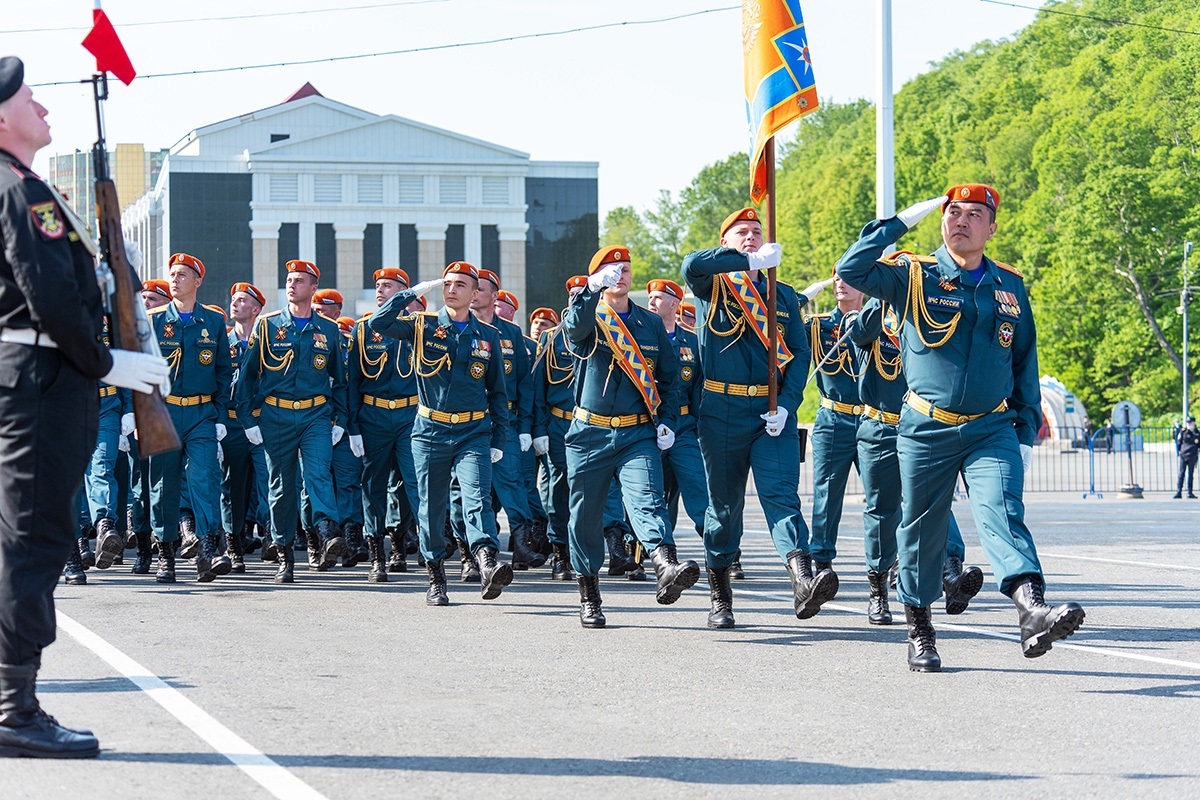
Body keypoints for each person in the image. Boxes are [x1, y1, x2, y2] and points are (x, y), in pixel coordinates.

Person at [836, 183, 1085, 671]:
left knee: (1002, 510)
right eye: (953, 212)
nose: (961, 220)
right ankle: (920, 628)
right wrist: (899, 221)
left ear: (991, 227)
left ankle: (1030, 609)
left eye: (974, 214)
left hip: (992, 426)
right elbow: (852, 270)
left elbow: (1023, 360)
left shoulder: (1009, 284)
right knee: (922, 531)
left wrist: (1026, 426)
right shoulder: (912, 275)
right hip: (926, 429)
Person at [0, 56, 170, 758]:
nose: (44, 109)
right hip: (45, 377)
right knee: (34, 541)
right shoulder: (21, 191)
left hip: (39, 374)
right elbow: (47, 291)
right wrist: (107, 362)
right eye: (30, 100)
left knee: (27, 537)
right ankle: (15, 709)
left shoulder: (25, 185)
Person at [681, 207, 835, 629]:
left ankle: (802, 577)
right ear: (726, 242)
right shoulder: (713, 287)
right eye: (741, 233)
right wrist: (749, 263)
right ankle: (720, 592)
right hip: (720, 412)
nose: (751, 236)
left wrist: (787, 402)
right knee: (724, 509)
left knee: (782, 497)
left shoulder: (781, 295)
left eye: (756, 231)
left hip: (772, 413)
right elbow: (692, 263)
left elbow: (800, 352)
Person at [562, 245, 699, 628]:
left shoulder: (651, 323)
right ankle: (589, 594)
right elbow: (574, 332)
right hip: (590, 432)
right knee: (584, 517)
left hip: (637, 430)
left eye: (625, 268)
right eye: (611, 268)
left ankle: (665, 565)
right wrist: (590, 290)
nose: (620, 274)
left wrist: (667, 419)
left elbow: (669, 379)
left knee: (648, 499)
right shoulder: (588, 313)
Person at [367, 262, 514, 605]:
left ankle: (487, 559)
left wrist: (498, 439)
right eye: (447, 284)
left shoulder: (488, 336)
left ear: (474, 293)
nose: (451, 289)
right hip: (431, 430)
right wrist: (408, 294)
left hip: (473, 430)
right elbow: (379, 323)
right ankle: (436, 575)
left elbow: (498, 393)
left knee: (476, 496)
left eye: (460, 284)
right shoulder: (423, 325)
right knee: (432, 507)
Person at [237, 260, 350, 584]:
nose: (292, 285)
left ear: (313, 288)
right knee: (281, 486)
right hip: (277, 415)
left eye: (299, 281)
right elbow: (248, 377)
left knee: (317, 473)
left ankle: (328, 531)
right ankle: (285, 552)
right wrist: (248, 420)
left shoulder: (327, 330)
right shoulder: (269, 326)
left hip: (315, 414)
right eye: (289, 280)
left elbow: (339, 380)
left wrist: (338, 418)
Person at [147, 252, 233, 583]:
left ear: (198, 281)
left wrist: (220, 414)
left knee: (205, 480)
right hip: (164, 411)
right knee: (163, 486)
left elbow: (224, 370)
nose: (175, 278)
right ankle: (165, 555)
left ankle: (208, 550)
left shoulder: (212, 321)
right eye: (172, 273)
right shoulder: (153, 320)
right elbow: (140, 369)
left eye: (183, 274)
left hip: (201, 413)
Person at [346, 267, 422, 583]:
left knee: (417, 483)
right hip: (373, 417)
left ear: (404, 294)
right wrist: (352, 427)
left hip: (409, 416)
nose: (379, 290)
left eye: (387, 286)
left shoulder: (417, 328)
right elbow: (352, 383)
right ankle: (378, 554)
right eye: (377, 285)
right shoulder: (363, 330)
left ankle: (428, 548)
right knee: (373, 487)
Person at [806, 273, 863, 588]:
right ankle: (822, 560)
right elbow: (778, 325)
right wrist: (800, 298)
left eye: (849, 277)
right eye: (836, 277)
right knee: (827, 495)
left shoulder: (881, 324)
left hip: (871, 418)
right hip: (834, 418)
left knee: (887, 494)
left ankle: (892, 562)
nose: (841, 282)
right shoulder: (817, 326)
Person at [220, 281, 268, 573]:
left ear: (256, 309)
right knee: (233, 488)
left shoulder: (268, 344)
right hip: (231, 423)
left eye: (241, 301)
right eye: (233, 300)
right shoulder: (220, 343)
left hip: (262, 421)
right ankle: (234, 545)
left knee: (270, 482)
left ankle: (272, 537)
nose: (234, 304)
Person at [1174, 416, 1199, 498]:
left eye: (1190, 423)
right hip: (1183, 455)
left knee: (1190, 474)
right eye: (1188, 423)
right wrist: (1178, 453)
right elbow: (1179, 442)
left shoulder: (1197, 433)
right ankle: (1179, 491)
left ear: (1194, 423)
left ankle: (1189, 492)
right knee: (1181, 473)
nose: (1189, 424)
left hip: (1192, 456)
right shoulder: (1183, 432)